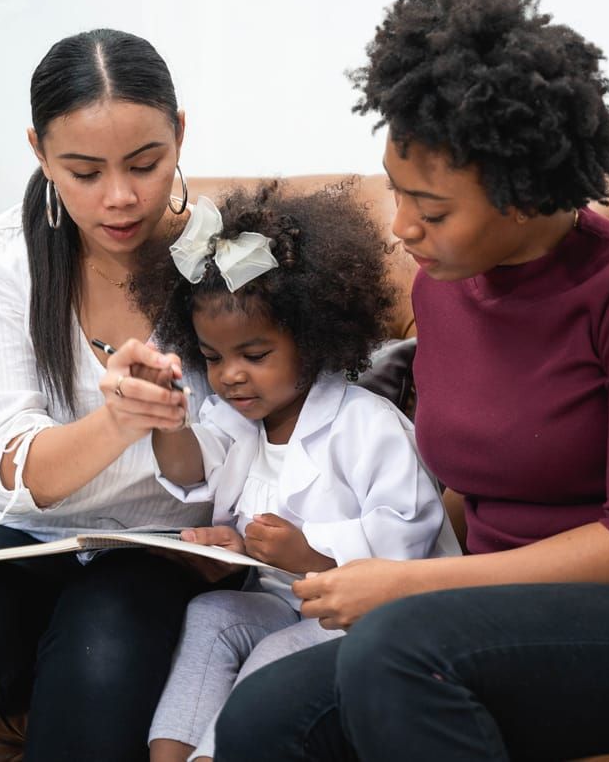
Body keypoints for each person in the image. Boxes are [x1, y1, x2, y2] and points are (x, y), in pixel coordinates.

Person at [215, 0, 609, 761]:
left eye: (430, 210)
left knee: (395, 650)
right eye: (397, 194)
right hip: (481, 616)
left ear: (520, 196)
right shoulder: (443, 288)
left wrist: (408, 585)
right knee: (261, 716)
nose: (401, 228)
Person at [0, 29, 222, 762]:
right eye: (83, 171)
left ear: (179, 134)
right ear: (39, 152)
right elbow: (7, 470)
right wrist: (119, 421)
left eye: (146, 164)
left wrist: (168, 429)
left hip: (156, 553)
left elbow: (253, 451)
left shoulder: (231, 252)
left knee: (106, 646)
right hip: (10, 539)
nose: (120, 197)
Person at [130, 183, 460, 762]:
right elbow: (191, 466)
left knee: (276, 652)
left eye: (254, 356)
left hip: (377, 615)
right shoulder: (236, 422)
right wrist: (167, 419)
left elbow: (403, 545)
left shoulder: (366, 426)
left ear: (310, 341)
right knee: (211, 615)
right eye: (212, 358)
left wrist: (305, 553)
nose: (230, 376)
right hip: (290, 605)